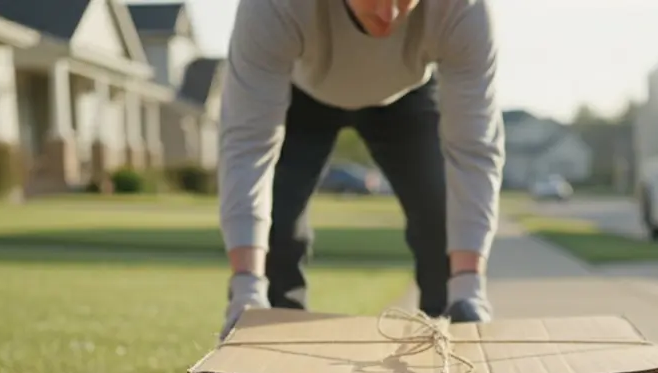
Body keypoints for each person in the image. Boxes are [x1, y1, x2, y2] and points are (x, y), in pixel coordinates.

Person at [216, 0, 506, 341]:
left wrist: (469, 288)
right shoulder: (272, 7)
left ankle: (449, 345)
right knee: (278, 224)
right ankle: (277, 360)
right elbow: (246, 146)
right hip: (300, 91)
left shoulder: (463, 9)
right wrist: (247, 285)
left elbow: (473, 148)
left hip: (406, 95)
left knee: (439, 212)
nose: (389, 15)